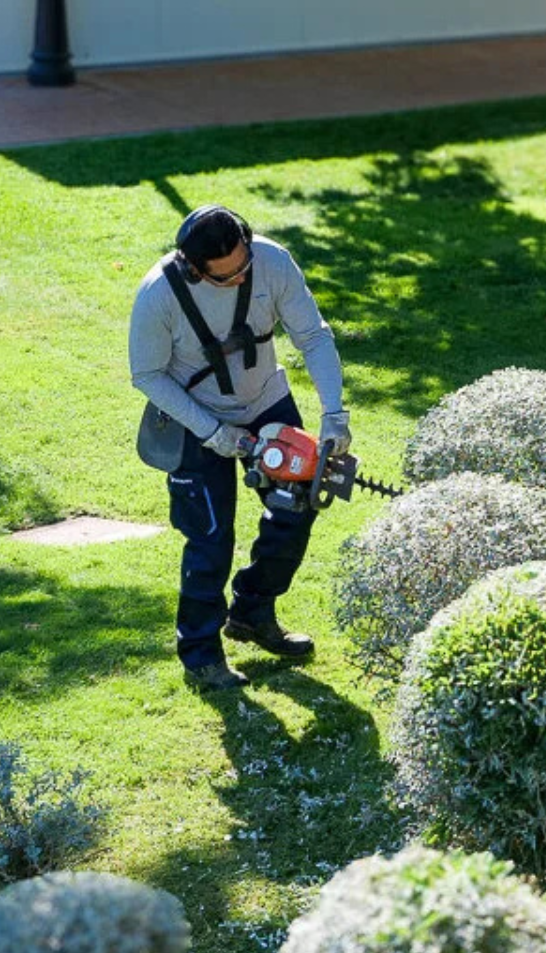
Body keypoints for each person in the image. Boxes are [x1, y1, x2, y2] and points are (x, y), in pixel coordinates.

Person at [129, 204, 350, 691]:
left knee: (298, 506)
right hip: (192, 419)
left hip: (265, 399)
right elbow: (146, 374)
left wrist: (334, 414)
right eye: (222, 277)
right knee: (210, 537)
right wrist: (215, 434)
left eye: (242, 267)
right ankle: (201, 656)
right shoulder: (158, 295)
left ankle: (252, 610)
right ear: (193, 266)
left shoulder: (273, 262)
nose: (237, 279)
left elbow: (312, 336)